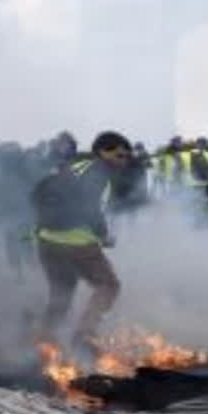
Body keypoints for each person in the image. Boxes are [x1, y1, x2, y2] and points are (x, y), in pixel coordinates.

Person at [31, 131, 132, 354]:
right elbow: (89, 207)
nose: (123, 162)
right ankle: (84, 336)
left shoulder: (75, 166)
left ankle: (44, 342)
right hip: (76, 242)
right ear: (103, 152)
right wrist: (104, 235)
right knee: (109, 285)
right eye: (119, 155)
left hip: (47, 240)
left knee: (62, 291)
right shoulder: (99, 172)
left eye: (126, 157)